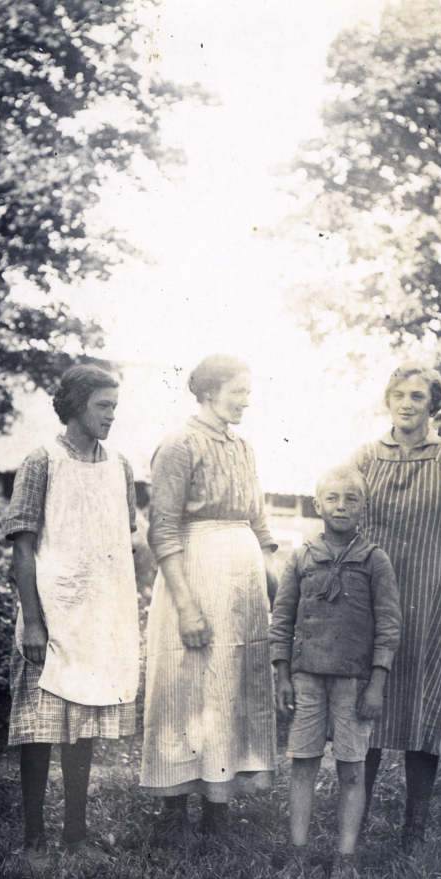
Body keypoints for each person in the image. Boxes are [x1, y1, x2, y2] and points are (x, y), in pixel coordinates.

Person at [350, 362, 441, 852]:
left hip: (433, 606)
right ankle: (356, 824)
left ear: (434, 404)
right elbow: (342, 521)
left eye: (417, 396)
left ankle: (414, 830)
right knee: (365, 715)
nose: (407, 403)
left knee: (423, 718)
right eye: (399, 395)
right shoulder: (366, 457)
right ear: (387, 400)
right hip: (371, 606)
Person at [4, 364, 140, 869]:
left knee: (81, 726)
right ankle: (34, 841)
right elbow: (23, 547)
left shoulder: (120, 466)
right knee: (40, 730)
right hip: (49, 616)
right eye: (103, 405)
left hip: (95, 617)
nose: (111, 415)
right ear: (76, 404)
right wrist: (34, 621)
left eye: (115, 406)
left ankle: (76, 836)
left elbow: (118, 542)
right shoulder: (41, 462)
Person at [140, 354, 278, 842]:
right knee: (185, 686)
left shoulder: (243, 447)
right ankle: (174, 812)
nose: (245, 400)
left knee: (228, 687)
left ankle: (218, 809)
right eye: (238, 391)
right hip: (195, 574)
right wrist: (187, 605)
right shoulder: (178, 445)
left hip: (243, 581)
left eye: (247, 392)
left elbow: (260, 525)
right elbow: (163, 531)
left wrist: (274, 584)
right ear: (208, 392)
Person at [271, 467, 402, 879]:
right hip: (307, 677)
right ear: (318, 504)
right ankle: (297, 853)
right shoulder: (302, 557)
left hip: (355, 684)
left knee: (351, 771)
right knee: (304, 765)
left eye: (351, 499)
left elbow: (389, 625)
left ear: (364, 507)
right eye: (332, 498)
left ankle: (344, 861)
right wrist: (282, 673)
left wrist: (377, 682)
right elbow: (282, 618)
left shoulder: (374, 559)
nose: (341, 506)